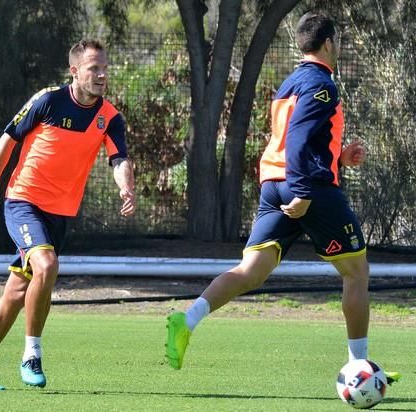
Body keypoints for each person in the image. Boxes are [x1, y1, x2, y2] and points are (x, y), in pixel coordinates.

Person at [165, 12, 399, 385]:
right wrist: (305, 192)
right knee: (356, 273)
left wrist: (339, 156)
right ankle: (360, 366)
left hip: (274, 184)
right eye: (337, 43)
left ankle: (187, 319)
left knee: (249, 272)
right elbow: (301, 140)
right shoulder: (323, 84)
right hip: (308, 187)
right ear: (328, 44)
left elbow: (298, 137)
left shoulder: (289, 83)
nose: (338, 49)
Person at [0, 39, 135, 391]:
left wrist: (125, 186)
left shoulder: (110, 117)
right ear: (74, 71)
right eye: (93, 68)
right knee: (47, 265)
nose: (102, 75)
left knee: (15, 292)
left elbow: (120, 159)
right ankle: (31, 355)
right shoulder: (47, 100)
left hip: (59, 215)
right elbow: (7, 139)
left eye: (104, 68)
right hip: (23, 202)